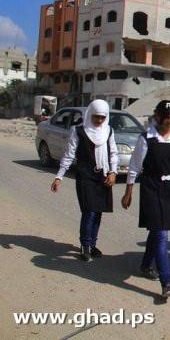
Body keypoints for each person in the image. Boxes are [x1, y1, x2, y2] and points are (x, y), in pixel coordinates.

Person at [121, 100, 170, 298]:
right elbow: (134, 167)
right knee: (161, 234)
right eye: (166, 118)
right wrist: (128, 192)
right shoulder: (146, 139)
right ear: (157, 116)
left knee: (157, 231)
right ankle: (166, 282)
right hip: (151, 188)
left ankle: (146, 265)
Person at [51, 99, 118, 262]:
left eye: (102, 117)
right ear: (90, 114)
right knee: (89, 211)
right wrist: (59, 176)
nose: (99, 120)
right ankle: (85, 245)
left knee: (98, 212)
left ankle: (92, 244)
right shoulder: (79, 131)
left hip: (103, 176)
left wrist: (113, 172)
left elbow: (113, 153)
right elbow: (69, 155)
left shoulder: (109, 131)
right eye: (96, 116)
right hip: (85, 176)